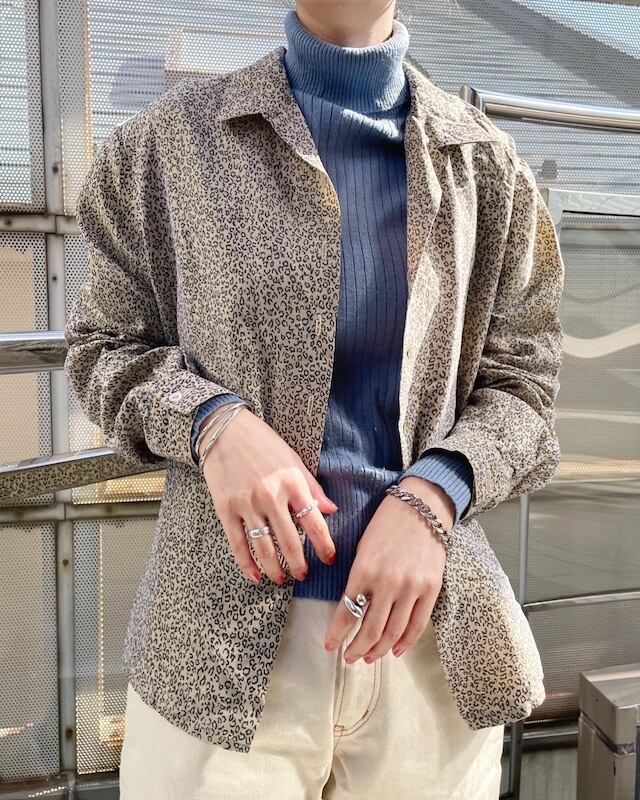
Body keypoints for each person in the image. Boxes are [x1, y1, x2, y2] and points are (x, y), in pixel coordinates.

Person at [65, 1, 564, 798]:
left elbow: (525, 388)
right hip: (214, 652)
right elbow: (103, 346)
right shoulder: (165, 146)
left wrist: (437, 493)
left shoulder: (487, 166)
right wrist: (212, 423)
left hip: (430, 649)